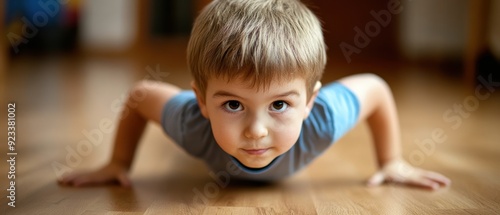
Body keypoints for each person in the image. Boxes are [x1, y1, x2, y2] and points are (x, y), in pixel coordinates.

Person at [59, 0, 451, 190]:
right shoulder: (190, 123)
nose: (257, 131)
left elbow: (377, 89)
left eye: (280, 104)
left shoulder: (324, 118)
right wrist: (118, 162)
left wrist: (393, 161)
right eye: (233, 104)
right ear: (201, 102)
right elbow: (141, 95)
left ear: (310, 102)